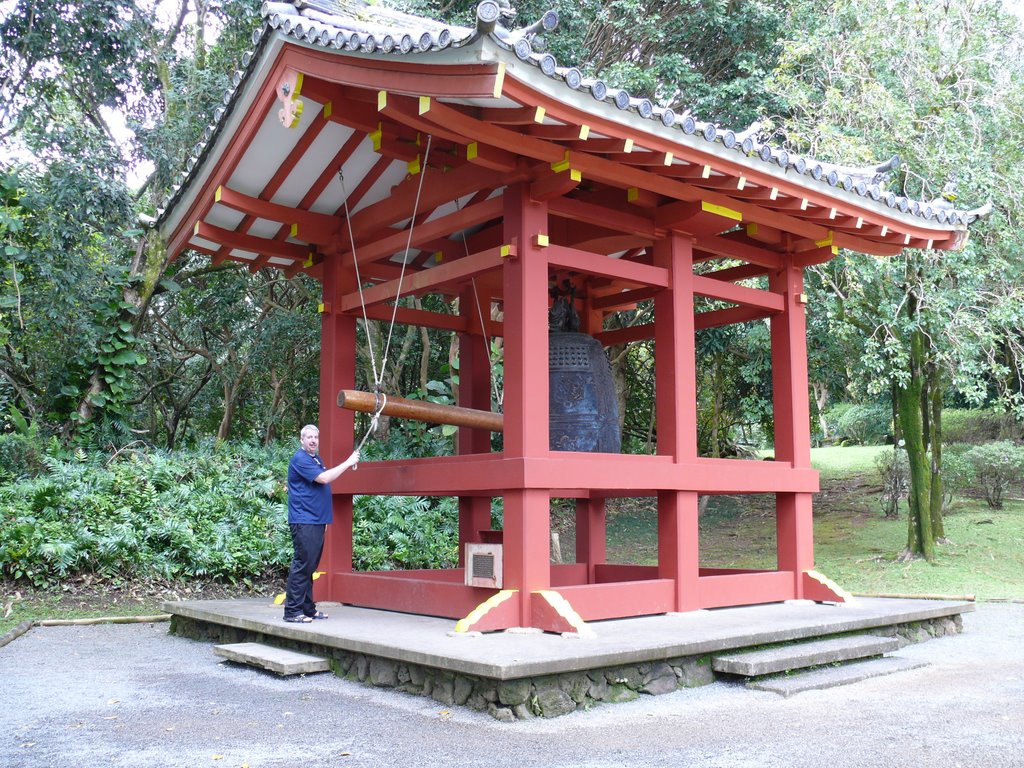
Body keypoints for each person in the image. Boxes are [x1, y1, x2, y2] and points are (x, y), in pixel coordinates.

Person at [283, 424, 360, 623]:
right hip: (304, 520)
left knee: (310, 566)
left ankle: (308, 609)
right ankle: (292, 611)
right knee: (303, 565)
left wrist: (323, 521)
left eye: (316, 437)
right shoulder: (300, 459)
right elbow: (324, 478)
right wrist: (348, 462)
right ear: (301, 440)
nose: (313, 440)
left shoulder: (315, 459)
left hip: (316, 521)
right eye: (309, 437)